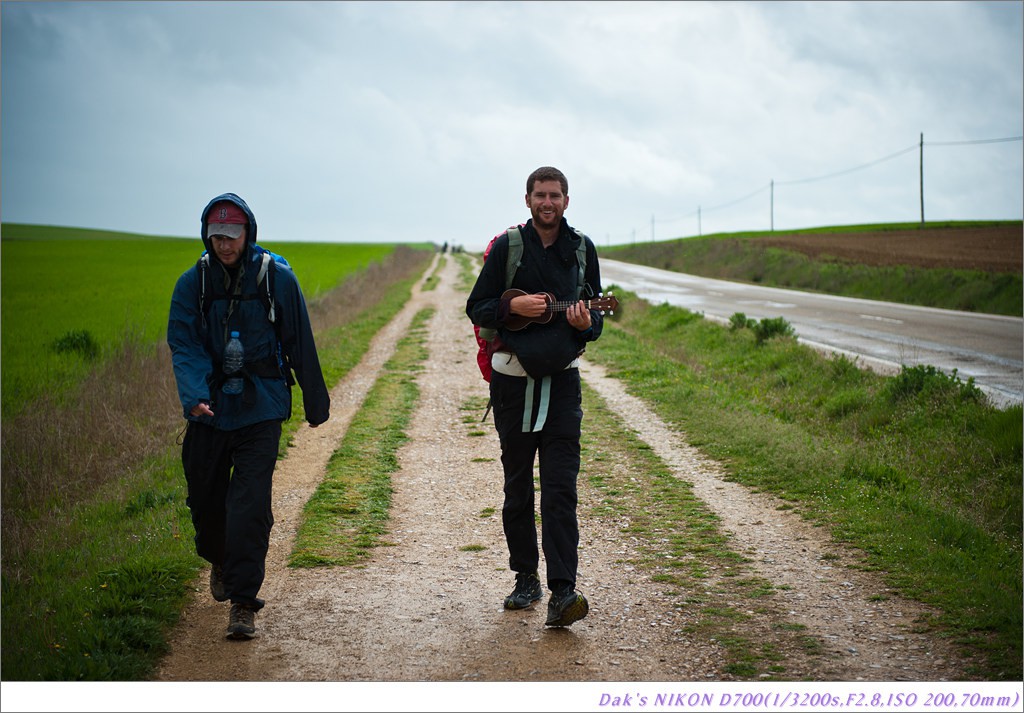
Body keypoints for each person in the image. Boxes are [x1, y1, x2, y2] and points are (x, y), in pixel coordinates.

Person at [167, 193, 330, 640]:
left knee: (250, 505)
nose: (224, 244)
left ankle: (243, 602)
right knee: (205, 499)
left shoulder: (274, 278)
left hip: (262, 405)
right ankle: (219, 558)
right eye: (217, 235)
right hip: (209, 408)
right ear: (207, 235)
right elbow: (184, 344)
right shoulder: (193, 284)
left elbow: (299, 339)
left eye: (232, 235)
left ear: (248, 233)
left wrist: (316, 402)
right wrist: (195, 395)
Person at [466, 166, 604, 627]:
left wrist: (589, 324)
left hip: (563, 385)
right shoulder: (508, 247)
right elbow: (477, 307)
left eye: (556, 195)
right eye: (540, 195)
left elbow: (597, 315)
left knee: (561, 490)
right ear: (527, 200)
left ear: (567, 200)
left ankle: (564, 591)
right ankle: (525, 576)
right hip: (512, 385)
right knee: (518, 487)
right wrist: (511, 307)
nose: (548, 202)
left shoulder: (582, 249)